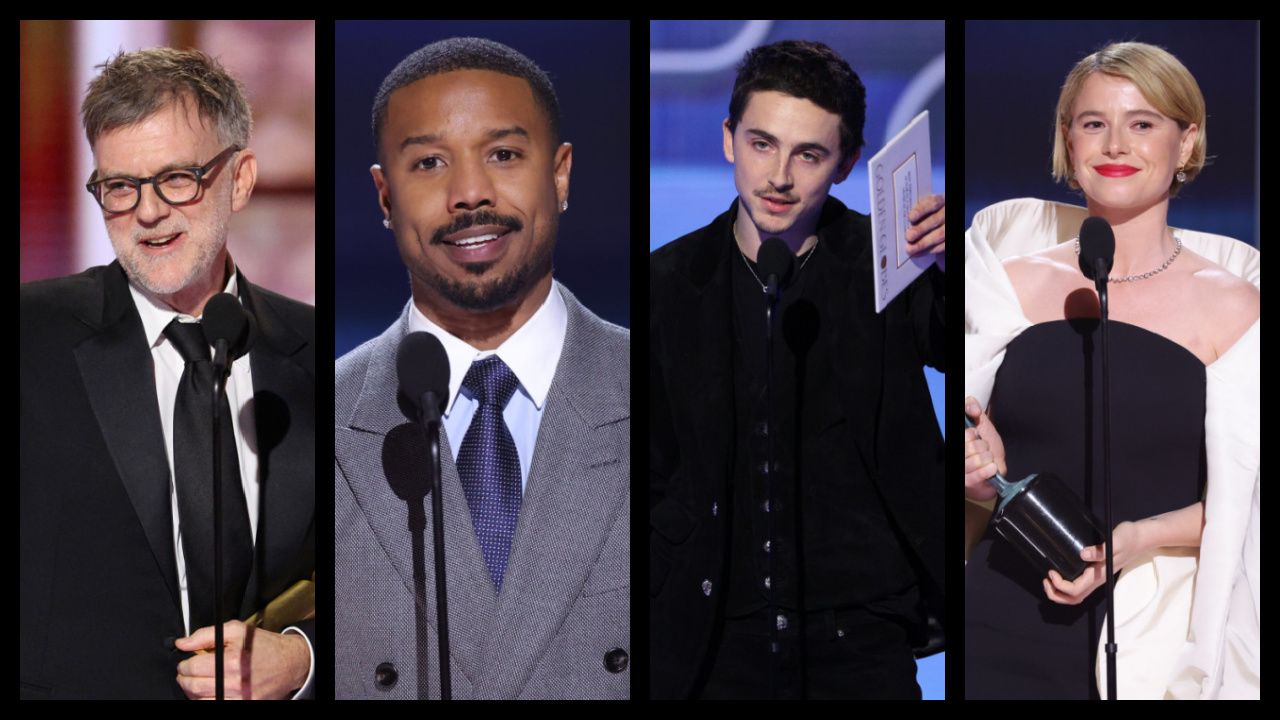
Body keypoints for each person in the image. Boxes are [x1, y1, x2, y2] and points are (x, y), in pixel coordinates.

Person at [334, 37, 630, 700]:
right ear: (385, 197)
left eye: (503, 154)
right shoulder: (313, 423)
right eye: (430, 162)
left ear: (559, 174)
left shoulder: (670, 394)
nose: (470, 194)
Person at [649, 39, 946, 700]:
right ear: (729, 141)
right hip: (711, 640)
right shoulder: (668, 282)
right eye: (761, 144)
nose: (778, 176)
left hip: (861, 639)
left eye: (808, 154)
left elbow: (974, 352)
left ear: (846, 164)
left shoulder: (892, 264)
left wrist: (956, 268)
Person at [964, 41, 1259, 699]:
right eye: (1093, 123)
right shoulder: (1000, 285)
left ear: (1186, 144)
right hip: (998, 622)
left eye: (1143, 123)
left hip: (1154, 638)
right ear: (1068, 143)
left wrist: (1141, 539)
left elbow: (1250, 503)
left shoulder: (1236, 307)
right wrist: (977, 477)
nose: (1115, 143)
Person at [19, 48, 316, 700]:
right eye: (120, 186)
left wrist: (302, 660)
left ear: (239, 180)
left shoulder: (323, 356)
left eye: (177, 178)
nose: (147, 212)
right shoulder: (32, 339)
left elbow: (376, 575)